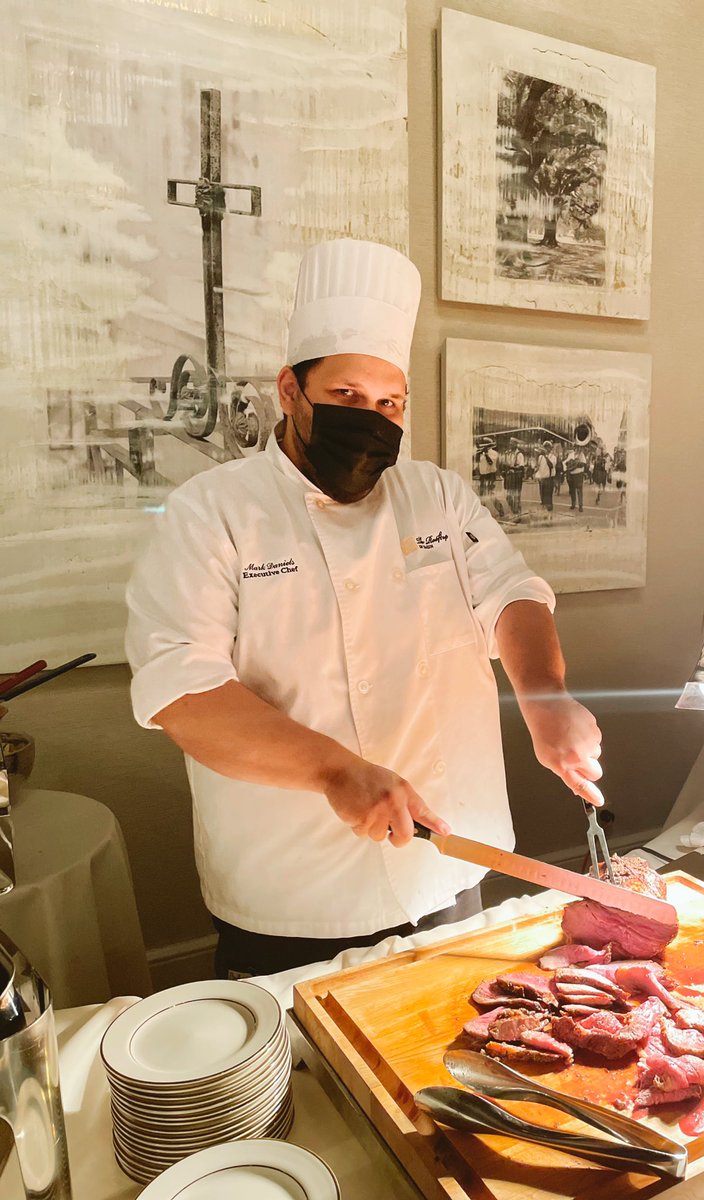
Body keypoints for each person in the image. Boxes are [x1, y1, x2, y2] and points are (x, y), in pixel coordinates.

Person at [125, 239, 602, 979]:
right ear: (290, 389)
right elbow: (184, 694)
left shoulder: (437, 495)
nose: (371, 418)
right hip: (292, 888)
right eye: (347, 397)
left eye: (389, 403)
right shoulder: (211, 514)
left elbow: (511, 595)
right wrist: (333, 770)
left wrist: (545, 700)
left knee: (454, 1051)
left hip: (448, 860)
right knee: (300, 1082)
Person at [503, 438, 526, 515]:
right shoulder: (508, 454)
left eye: (512, 444)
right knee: (508, 497)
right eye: (510, 443)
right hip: (509, 477)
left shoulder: (519, 454)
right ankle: (515, 511)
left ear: (516, 445)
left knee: (516, 497)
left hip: (516, 477)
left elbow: (521, 467)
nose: (510, 445)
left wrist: (511, 467)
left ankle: (517, 513)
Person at [535, 439, 555, 514]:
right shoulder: (540, 457)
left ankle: (549, 514)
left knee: (548, 499)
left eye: (548, 447)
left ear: (550, 448)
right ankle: (544, 514)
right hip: (542, 480)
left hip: (549, 479)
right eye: (545, 447)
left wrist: (545, 456)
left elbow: (551, 465)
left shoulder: (553, 457)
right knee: (543, 498)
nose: (546, 449)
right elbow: (538, 467)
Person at [564, 445, 587, 513]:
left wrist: (576, 464)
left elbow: (583, 464)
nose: (577, 449)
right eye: (576, 447)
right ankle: (573, 504)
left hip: (579, 475)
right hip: (571, 475)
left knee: (579, 491)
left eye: (579, 447)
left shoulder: (581, 455)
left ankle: (580, 506)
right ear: (574, 448)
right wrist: (571, 463)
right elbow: (566, 463)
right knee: (572, 490)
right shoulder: (570, 454)